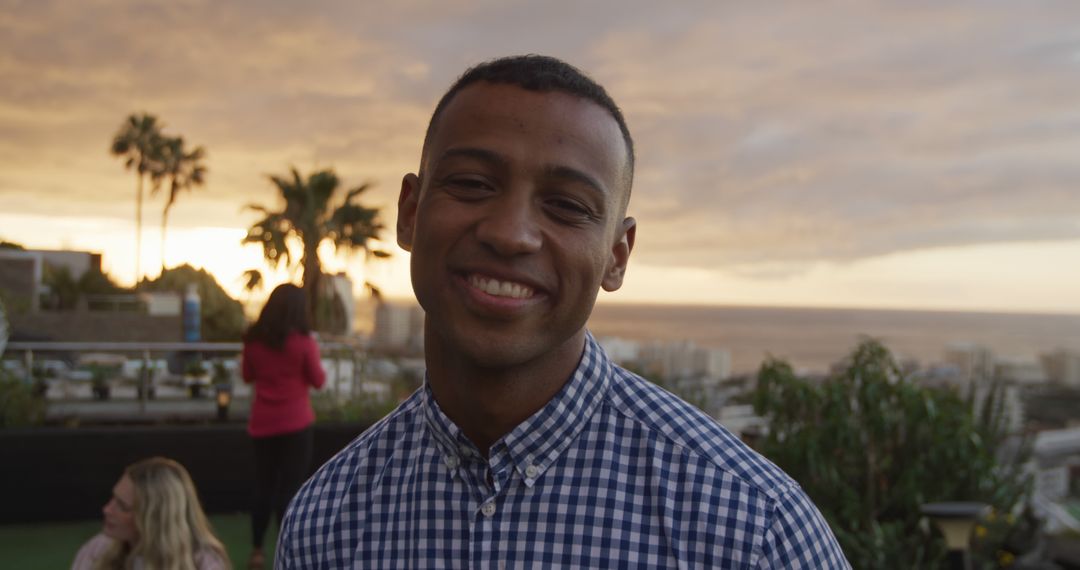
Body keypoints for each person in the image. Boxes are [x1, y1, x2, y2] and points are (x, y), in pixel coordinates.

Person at [276, 55, 851, 568]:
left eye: (567, 206)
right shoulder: (327, 522)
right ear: (410, 211)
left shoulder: (752, 530)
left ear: (616, 256)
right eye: (473, 184)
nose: (510, 234)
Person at [241, 283, 325, 569]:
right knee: (290, 489)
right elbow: (318, 380)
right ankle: (284, 549)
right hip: (296, 425)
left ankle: (256, 551)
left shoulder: (252, 340)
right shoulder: (303, 343)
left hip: (262, 424)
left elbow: (246, 375)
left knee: (263, 487)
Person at [71, 456, 229, 570]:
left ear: (154, 520)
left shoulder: (203, 563)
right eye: (113, 498)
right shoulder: (97, 550)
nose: (107, 509)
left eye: (123, 506)